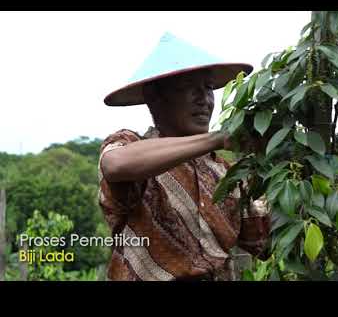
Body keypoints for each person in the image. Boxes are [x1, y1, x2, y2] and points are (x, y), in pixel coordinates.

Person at [98, 63, 271, 281]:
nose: (204, 99)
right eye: (188, 87)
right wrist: (217, 138)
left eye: (208, 88)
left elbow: (265, 244)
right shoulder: (131, 145)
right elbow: (116, 165)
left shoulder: (229, 174)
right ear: (155, 97)